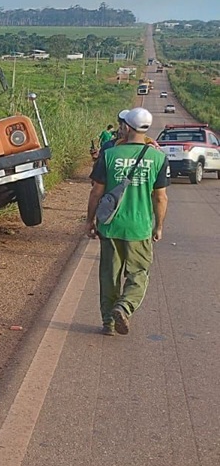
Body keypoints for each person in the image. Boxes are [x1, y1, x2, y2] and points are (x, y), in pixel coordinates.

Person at [86, 107, 169, 336]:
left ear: (127, 126)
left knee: (109, 275)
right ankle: (125, 306)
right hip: (140, 228)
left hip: (110, 226)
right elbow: (160, 197)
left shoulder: (110, 154)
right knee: (139, 273)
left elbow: (96, 192)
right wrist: (159, 226)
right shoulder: (158, 157)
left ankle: (108, 323)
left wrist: (89, 221)